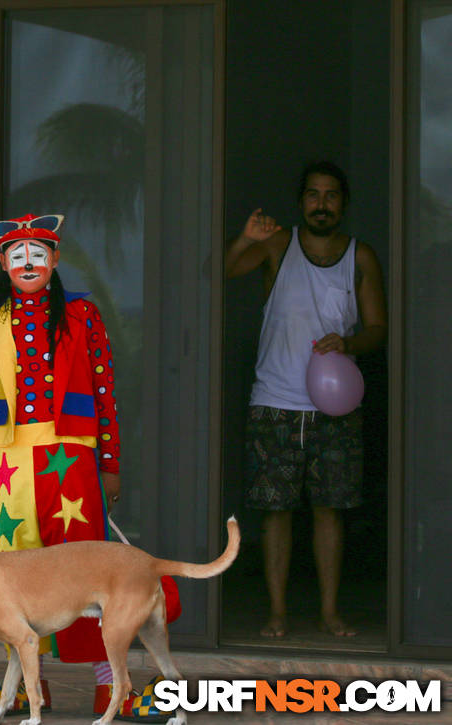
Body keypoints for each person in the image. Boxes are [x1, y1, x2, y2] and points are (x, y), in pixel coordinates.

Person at [0, 213, 178, 722]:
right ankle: (32, 688)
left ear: (54, 260)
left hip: (70, 456)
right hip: (9, 460)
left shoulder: (82, 314)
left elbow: (104, 393)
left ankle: (106, 686)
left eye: (38, 253)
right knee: (12, 577)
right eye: (17, 255)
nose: (28, 262)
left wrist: (110, 464)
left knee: (86, 572)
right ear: (4, 264)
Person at [225, 161, 387, 638]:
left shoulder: (361, 257)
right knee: (275, 511)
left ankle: (329, 612)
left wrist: (349, 343)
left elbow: (377, 329)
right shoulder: (279, 244)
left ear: (344, 203)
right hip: (274, 400)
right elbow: (227, 270)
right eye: (313, 195)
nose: (322, 203)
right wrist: (246, 238)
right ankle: (277, 612)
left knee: (329, 509)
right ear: (302, 202)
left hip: (335, 406)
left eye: (331, 195)